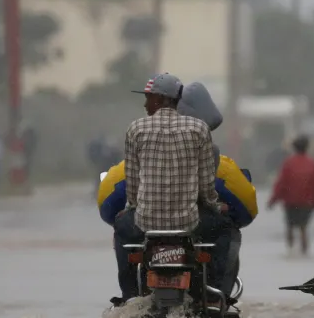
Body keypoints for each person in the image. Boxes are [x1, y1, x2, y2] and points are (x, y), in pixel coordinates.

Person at [99, 81, 258, 302]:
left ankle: (129, 296)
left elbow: (130, 183)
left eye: (148, 98)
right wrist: (214, 204)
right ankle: (218, 296)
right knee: (226, 231)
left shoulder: (136, 129)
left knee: (122, 230)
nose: (146, 104)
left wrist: (132, 208)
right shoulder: (200, 132)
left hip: (145, 222)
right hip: (189, 222)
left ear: (160, 99)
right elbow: (207, 186)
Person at [267, 136, 314, 256]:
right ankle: (304, 253)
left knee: (290, 226)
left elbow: (281, 184)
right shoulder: (313, 164)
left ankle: (290, 252)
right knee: (303, 228)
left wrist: (273, 200)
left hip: (291, 202)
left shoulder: (288, 164)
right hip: (307, 202)